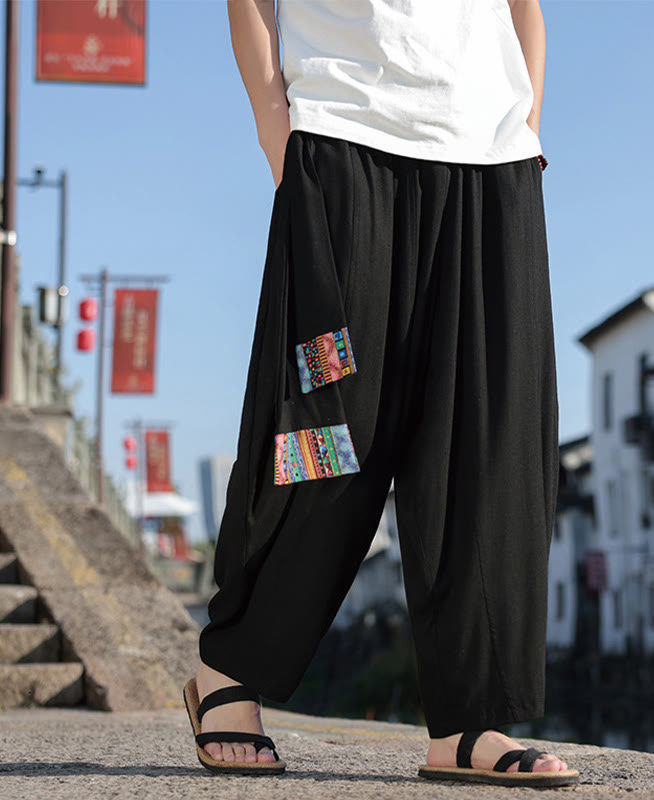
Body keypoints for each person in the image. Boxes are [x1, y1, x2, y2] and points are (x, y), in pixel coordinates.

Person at [183, 0, 579, 788]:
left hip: (493, 158)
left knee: (486, 439)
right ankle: (229, 669)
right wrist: (276, 133)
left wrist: (527, 122)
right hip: (343, 141)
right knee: (327, 427)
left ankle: (468, 721)